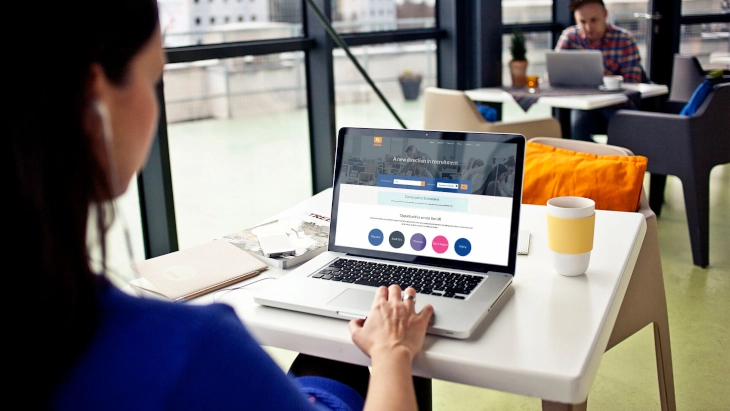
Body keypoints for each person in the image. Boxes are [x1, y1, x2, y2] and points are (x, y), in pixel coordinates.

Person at [9, 1, 434, 409]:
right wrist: (393, 352)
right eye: (154, 78)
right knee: (389, 335)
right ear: (93, 102)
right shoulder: (194, 351)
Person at [555, 0, 643, 141]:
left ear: (605, 15)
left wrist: (607, 79)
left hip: (618, 105)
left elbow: (633, 81)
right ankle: (591, 160)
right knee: (578, 124)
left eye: (594, 20)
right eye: (582, 22)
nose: (588, 27)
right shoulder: (570, 36)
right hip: (586, 104)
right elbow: (555, 73)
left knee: (622, 128)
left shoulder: (624, 39)